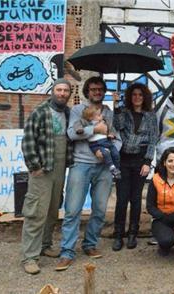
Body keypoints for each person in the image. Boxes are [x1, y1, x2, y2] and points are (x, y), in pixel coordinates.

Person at [56, 76, 121, 271]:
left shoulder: (109, 111)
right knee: (73, 210)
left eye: (100, 89)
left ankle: (90, 244)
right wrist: (95, 128)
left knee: (100, 210)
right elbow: (71, 133)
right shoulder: (77, 110)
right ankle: (67, 252)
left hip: (104, 167)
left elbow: (116, 136)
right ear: (87, 91)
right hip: (81, 164)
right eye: (93, 89)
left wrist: (109, 150)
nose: (97, 92)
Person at [20, 79, 74, 274]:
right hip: (42, 170)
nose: (62, 93)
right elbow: (28, 140)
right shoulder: (40, 111)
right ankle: (29, 257)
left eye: (65, 90)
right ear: (52, 91)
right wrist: (34, 166)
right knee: (36, 212)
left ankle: (45, 245)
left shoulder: (68, 113)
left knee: (52, 209)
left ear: (69, 93)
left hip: (60, 168)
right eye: (58, 90)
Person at [111, 83, 158, 251]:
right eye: (134, 94)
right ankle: (118, 234)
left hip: (140, 160)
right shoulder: (124, 113)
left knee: (136, 199)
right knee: (122, 198)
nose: (137, 97)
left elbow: (153, 139)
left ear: (145, 97)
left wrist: (147, 162)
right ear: (130, 97)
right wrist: (116, 105)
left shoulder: (151, 116)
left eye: (140, 94)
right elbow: (117, 126)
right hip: (123, 160)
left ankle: (133, 233)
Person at [74, 105, 121, 179]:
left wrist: (111, 134)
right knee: (105, 154)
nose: (101, 116)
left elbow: (111, 128)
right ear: (91, 117)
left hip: (106, 141)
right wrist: (79, 129)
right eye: (99, 115)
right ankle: (112, 168)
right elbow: (77, 124)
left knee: (115, 153)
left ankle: (117, 168)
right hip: (95, 144)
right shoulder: (86, 122)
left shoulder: (103, 121)